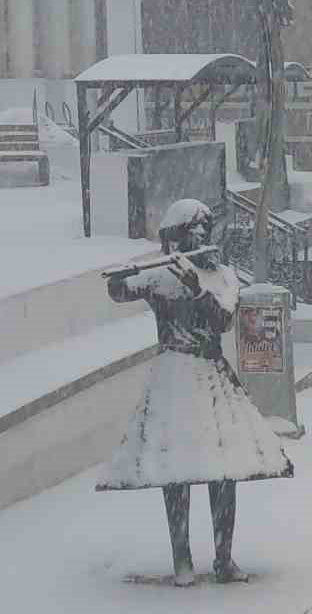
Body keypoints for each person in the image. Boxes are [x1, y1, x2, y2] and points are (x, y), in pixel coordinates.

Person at [98, 199, 294, 586]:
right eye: (193, 229)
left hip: (212, 378)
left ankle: (224, 558)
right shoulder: (160, 276)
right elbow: (118, 291)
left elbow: (221, 321)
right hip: (174, 376)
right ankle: (182, 559)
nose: (202, 235)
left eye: (206, 228)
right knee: (176, 473)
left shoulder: (222, 276)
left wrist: (197, 289)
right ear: (178, 235)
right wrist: (126, 273)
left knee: (224, 471)